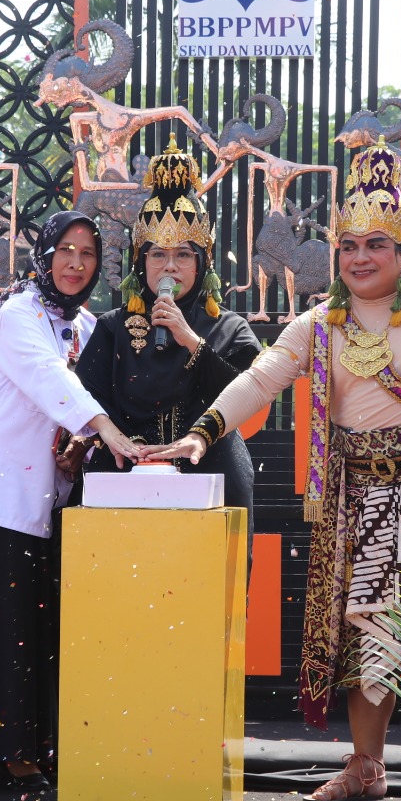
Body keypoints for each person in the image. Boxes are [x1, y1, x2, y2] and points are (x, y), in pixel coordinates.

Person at [149, 140, 401, 801]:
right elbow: (260, 380)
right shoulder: (318, 324)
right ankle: (366, 765)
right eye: (349, 246)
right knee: (360, 627)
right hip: (360, 494)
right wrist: (202, 435)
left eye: (376, 244)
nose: (360, 257)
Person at [0, 210, 141, 788]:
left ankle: (42, 740)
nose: (76, 264)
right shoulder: (17, 314)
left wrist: (82, 442)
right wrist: (106, 431)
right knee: (5, 626)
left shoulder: (87, 325)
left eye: (89, 254)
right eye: (66, 251)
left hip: (59, 498)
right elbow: (52, 381)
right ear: (45, 254)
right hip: (5, 497)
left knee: (47, 628)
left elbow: (90, 390)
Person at [75, 143, 262, 540]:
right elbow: (86, 400)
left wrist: (191, 341)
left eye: (183, 255)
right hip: (124, 472)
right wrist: (121, 440)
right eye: (158, 254)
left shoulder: (230, 328)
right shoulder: (111, 328)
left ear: (202, 262)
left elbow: (249, 394)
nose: (170, 266)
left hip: (213, 472)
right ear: (140, 263)